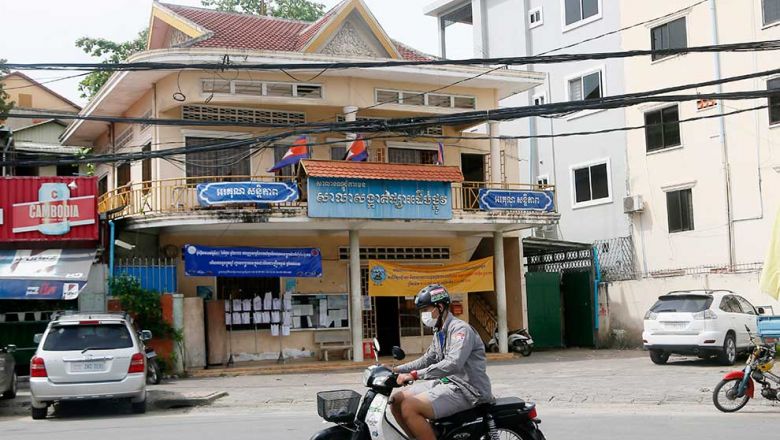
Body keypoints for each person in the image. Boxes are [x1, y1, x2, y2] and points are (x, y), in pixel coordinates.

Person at [391, 284, 493, 440]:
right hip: (447, 383)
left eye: (426, 310)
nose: (423, 315)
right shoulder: (440, 331)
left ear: (439, 307)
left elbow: (453, 363)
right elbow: (428, 359)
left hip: (468, 390)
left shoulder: (460, 330)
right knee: (397, 400)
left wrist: (414, 375)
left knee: (409, 406)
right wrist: (397, 370)